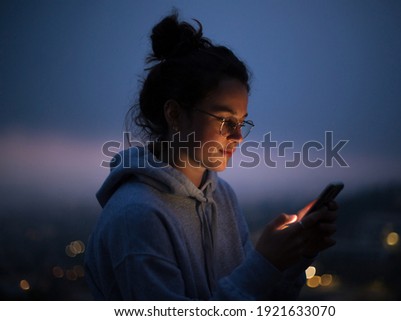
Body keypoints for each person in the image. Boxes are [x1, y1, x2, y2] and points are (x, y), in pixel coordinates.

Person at [84, 12, 338, 300]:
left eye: (242, 122)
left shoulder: (222, 197)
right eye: (225, 120)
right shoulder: (137, 216)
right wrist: (264, 263)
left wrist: (293, 258)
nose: (238, 136)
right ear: (175, 114)